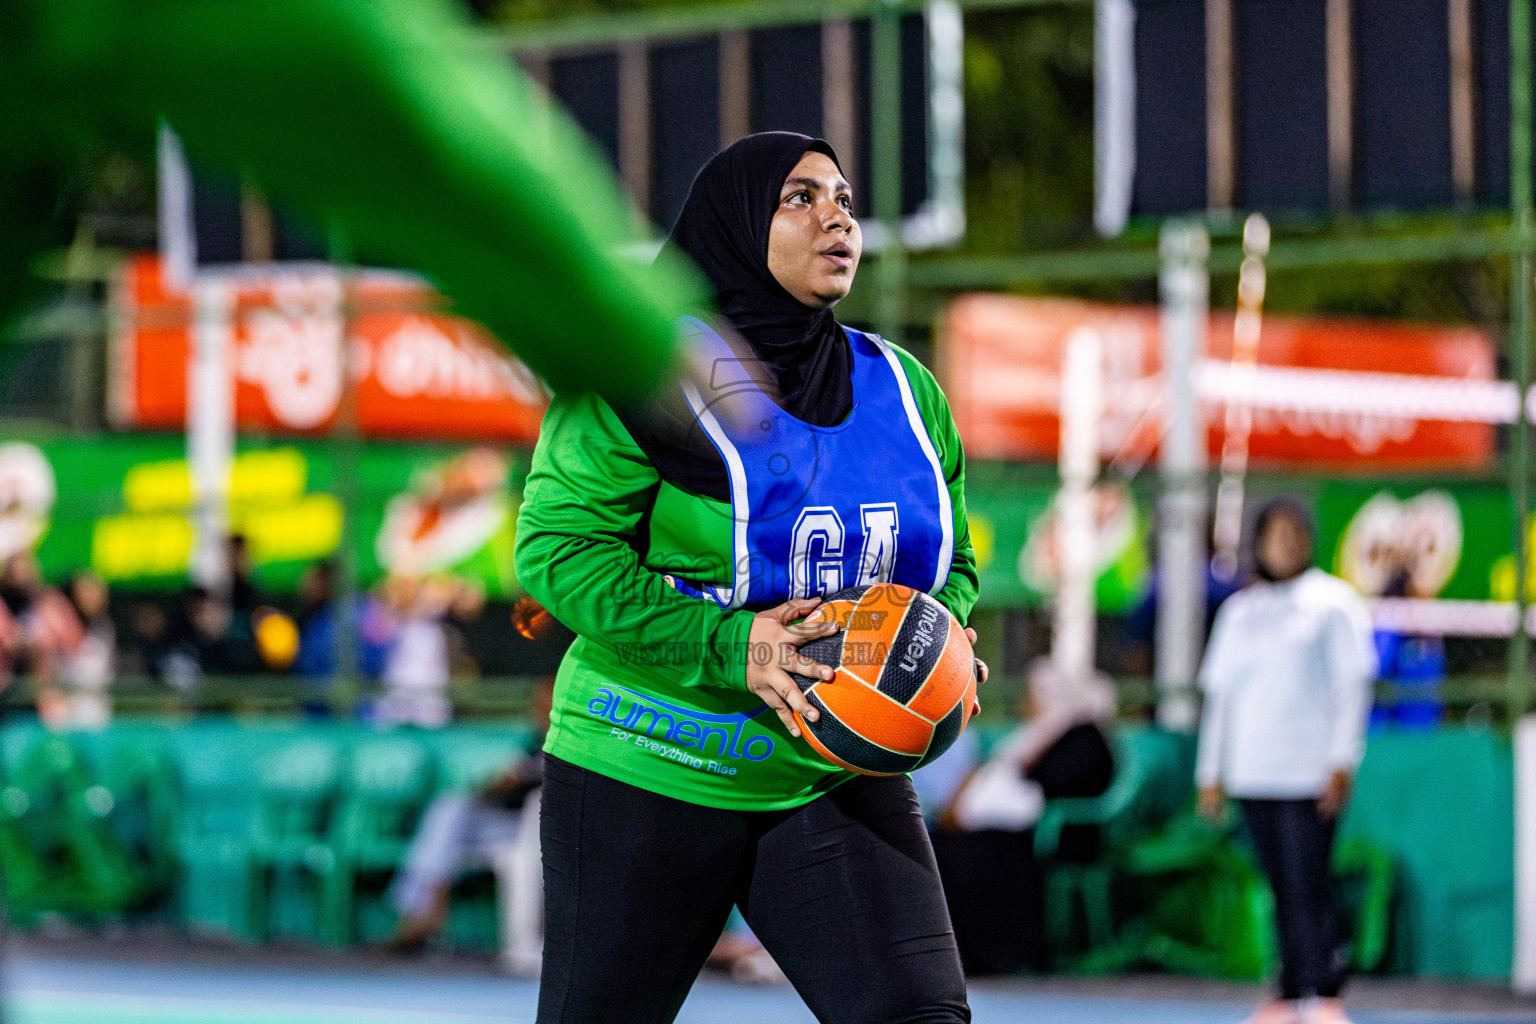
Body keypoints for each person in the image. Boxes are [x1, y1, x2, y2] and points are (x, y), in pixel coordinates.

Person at [514, 132, 983, 1024]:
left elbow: (951, 560)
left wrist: (941, 638)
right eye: (800, 198)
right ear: (733, 223)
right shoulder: (637, 372)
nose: (837, 216)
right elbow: (557, 553)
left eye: (844, 198)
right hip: (649, 764)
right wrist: (734, 644)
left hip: (828, 767)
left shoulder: (908, 390)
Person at [1195, 498, 1376, 1024]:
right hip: (1253, 775)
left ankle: (1321, 992)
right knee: (1278, 886)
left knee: (1307, 884)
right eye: (1277, 533)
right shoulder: (1238, 612)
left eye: (1297, 532)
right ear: (1259, 541)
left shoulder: (1335, 603)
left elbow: (1351, 689)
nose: (1287, 542)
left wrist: (1342, 762)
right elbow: (1221, 700)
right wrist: (1211, 775)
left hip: (1308, 776)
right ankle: (1290, 987)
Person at [928, 658, 1116, 974]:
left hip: (1058, 834)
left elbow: (1053, 788)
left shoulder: (1082, 736)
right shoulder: (1042, 734)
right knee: (943, 846)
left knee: (967, 854)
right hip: (1014, 828)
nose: (1027, 702)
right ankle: (955, 953)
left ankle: (992, 955)